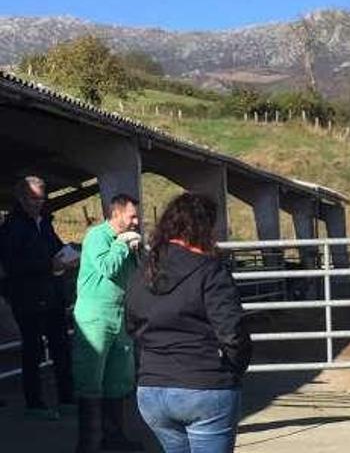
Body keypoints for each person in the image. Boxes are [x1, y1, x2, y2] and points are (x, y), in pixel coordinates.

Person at [126, 192, 252, 453]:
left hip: (152, 389)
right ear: (203, 229)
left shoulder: (144, 270)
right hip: (203, 384)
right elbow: (233, 332)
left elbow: (131, 324)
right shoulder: (210, 271)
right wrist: (233, 370)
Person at [0, 176, 75, 419]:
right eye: (33, 198)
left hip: (52, 294)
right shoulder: (12, 227)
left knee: (61, 347)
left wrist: (68, 256)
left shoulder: (46, 223)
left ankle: (67, 398)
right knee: (31, 350)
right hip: (27, 297)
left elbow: (56, 248)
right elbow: (11, 264)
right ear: (21, 198)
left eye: (41, 198)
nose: (38, 203)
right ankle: (35, 403)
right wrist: (47, 264)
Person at [73, 193, 143, 452]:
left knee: (118, 379)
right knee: (90, 378)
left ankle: (115, 438)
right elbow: (108, 267)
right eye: (132, 215)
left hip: (118, 314)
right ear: (116, 214)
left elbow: (133, 276)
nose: (136, 220)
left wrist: (135, 250)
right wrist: (123, 244)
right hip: (95, 317)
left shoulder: (126, 240)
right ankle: (89, 443)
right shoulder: (97, 236)